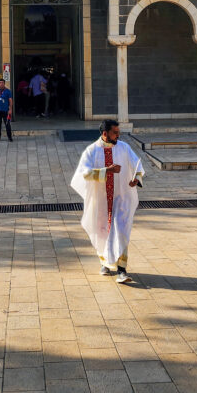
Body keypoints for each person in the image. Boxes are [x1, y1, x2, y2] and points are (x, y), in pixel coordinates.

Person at [69, 119, 145, 284]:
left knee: (122, 231)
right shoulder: (92, 151)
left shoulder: (124, 147)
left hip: (121, 198)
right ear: (105, 134)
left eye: (118, 132)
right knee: (102, 231)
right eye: (115, 133)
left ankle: (122, 270)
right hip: (101, 201)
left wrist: (136, 179)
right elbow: (83, 174)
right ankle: (105, 262)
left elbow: (137, 165)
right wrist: (106, 171)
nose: (118, 135)